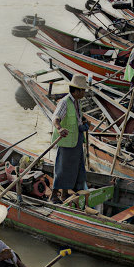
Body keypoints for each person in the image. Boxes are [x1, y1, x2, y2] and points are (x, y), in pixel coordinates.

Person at [51, 74, 90, 202]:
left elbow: (77, 118)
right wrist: (59, 128)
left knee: (72, 168)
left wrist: (83, 121)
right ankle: (54, 195)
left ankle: (64, 194)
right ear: (76, 90)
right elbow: (56, 118)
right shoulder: (65, 102)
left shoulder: (77, 102)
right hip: (66, 141)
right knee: (62, 168)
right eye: (82, 90)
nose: (84, 92)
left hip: (76, 140)